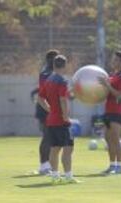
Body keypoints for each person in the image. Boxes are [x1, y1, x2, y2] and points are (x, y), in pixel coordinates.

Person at [37, 55, 80, 184]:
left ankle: (55, 177)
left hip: (51, 120)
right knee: (68, 148)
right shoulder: (62, 80)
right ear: (65, 65)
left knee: (54, 149)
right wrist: (65, 116)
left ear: (54, 65)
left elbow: (40, 98)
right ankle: (68, 177)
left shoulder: (49, 79)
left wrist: (49, 109)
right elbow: (62, 99)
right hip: (61, 121)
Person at [99, 51, 121, 174]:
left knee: (115, 139)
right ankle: (112, 165)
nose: (113, 61)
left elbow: (120, 95)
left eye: (116, 60)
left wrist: (107, 85)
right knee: (107, 138)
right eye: (113, 59)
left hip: (117, 111)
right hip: (108, 111)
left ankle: (119, 166)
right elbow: (107, 92)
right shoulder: (112, 75)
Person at [30, 49, 59, 175]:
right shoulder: (46, 73)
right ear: (51, 60)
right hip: (45, 108)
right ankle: (43, 166)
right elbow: (47, 91)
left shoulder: (50, 72)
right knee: (47, 136)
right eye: (56, 59)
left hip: (49, 108)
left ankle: (47, 165)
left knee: (51, 137)